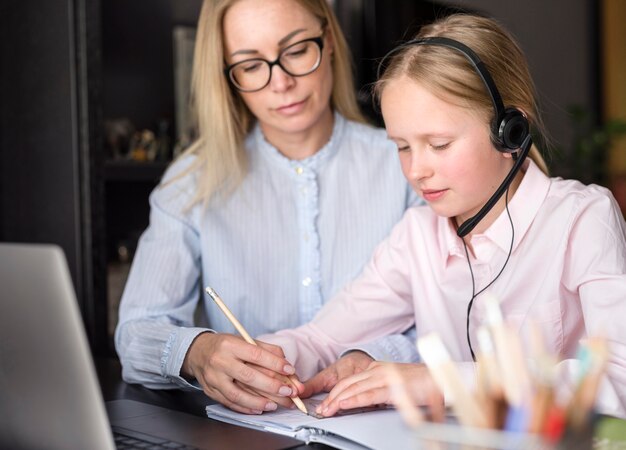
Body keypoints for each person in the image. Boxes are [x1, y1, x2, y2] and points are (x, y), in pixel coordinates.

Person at [261, 13, 626, 419]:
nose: (417, 170)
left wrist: (442, 379)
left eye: (438, 144)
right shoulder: (417, 235)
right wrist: (255, 360)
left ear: (510, 130)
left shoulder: (583, 219)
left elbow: (619, 380)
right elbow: (321, 339)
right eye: (402, 146)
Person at [115, 0, 420, 415]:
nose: (281, 83)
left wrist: (371, 355)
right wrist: (198, 352)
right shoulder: (191, 183)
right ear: (226, 74)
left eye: (296, 51)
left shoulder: (409, 165)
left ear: (329, 41)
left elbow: (453, 329)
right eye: (251, 65)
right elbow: (135, 334)